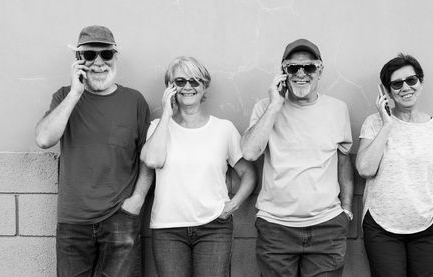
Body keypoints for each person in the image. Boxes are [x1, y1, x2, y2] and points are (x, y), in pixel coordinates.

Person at [35, 25, 153, 277]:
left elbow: (147, 159)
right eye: (89, 55)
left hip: (121, 217)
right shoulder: (64, 97)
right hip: (73, 220)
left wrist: (137, 201)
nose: (98, 63)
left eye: (106, 54)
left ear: (115, 56)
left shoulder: (135, 101)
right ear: (78, 60)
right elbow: (44, 139)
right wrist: (76, 92)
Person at [241, 39, 354, 277]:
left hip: (327, 228)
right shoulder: (265, 107)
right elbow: (250, 153)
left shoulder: (337, 109)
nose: (301, 74)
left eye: (309, 67)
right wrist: (275, 105)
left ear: (320, 70)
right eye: (293, 68)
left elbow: (343, 161)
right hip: (276, 229)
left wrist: (346, 210)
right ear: (283, 71)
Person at [140, 56, 256, 277]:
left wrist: (232, 205)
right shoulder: (157, 127)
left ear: (204, 87)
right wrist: (166, 113)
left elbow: (248, 173)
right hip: (168, 229)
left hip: (214, 228)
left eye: (195, 81)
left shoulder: (223, 129)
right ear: (170, 87)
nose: (188, 87)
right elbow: (152, 160)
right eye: (180, 81)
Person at [356, 54, 433, 277]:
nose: (405, 88)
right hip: (382, 229)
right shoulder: (374, 123)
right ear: (386, 90)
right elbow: (365, 169)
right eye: (397, 83)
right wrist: (387, 124)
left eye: (411, 80)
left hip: (430, 227)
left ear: (420, 82)